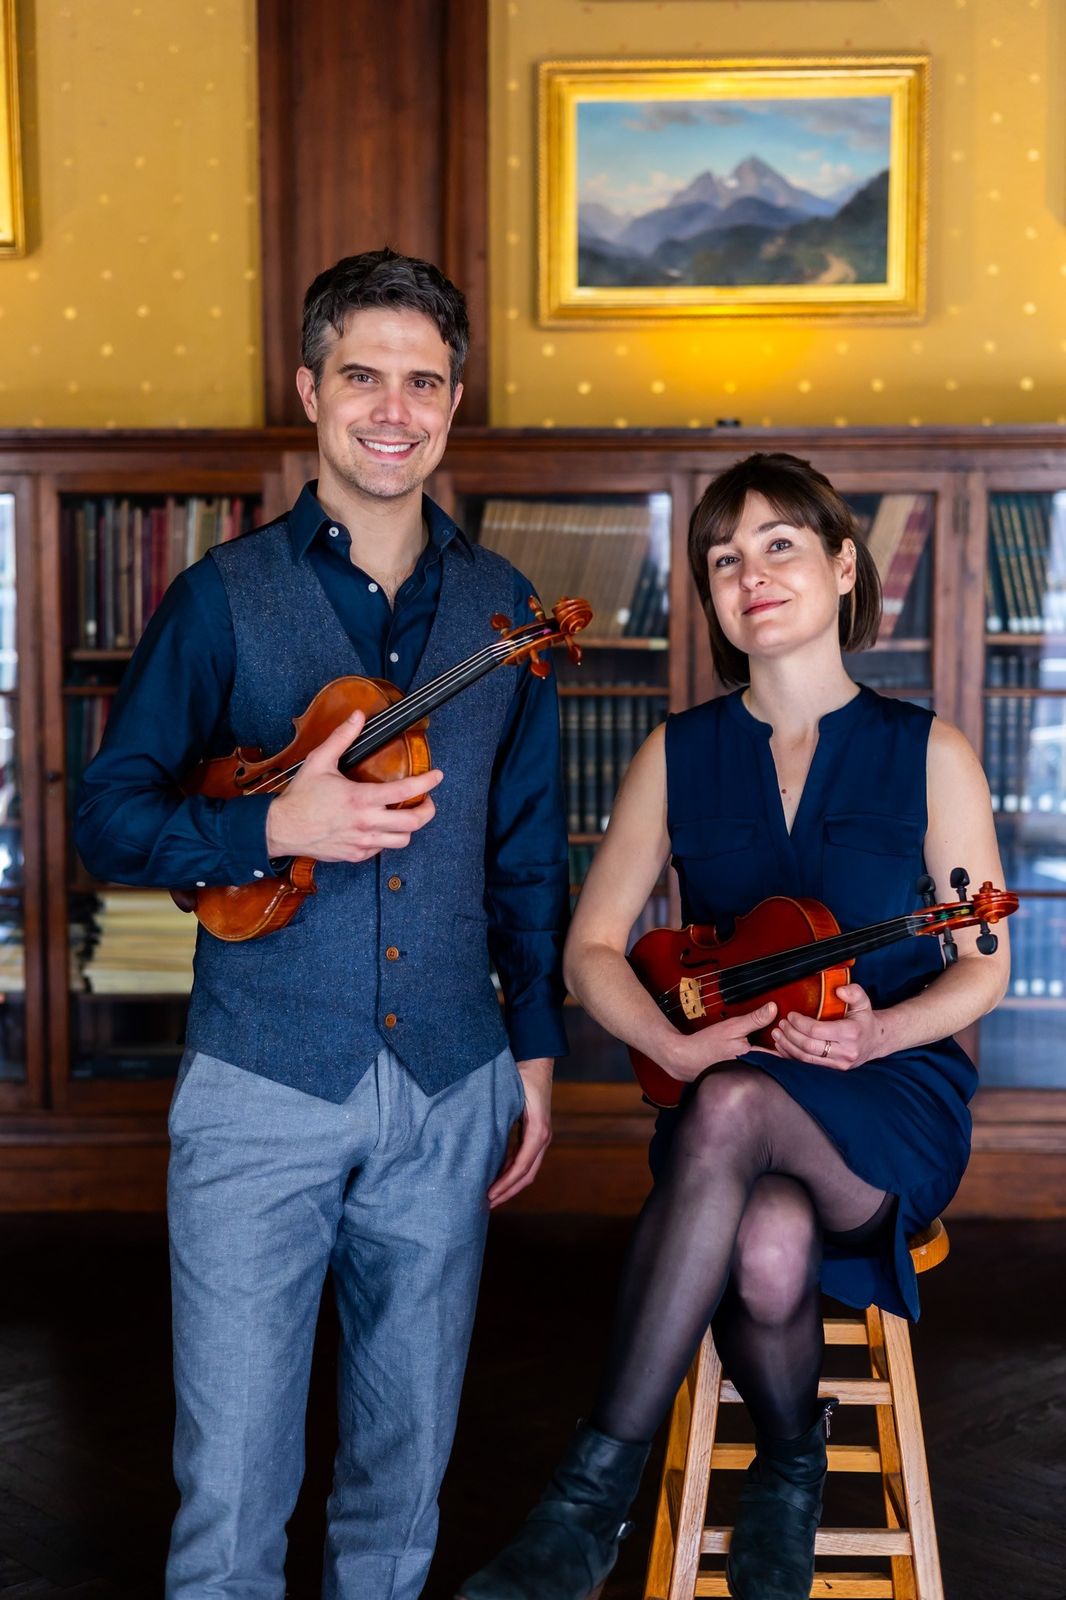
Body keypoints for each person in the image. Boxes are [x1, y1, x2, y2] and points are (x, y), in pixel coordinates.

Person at [74, 248, 569, 1600]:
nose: (393, 410)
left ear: (454, 401)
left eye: (423, 382)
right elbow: (109, 817)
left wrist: (531, 1056)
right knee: (234, 1476)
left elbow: (526, 860)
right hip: (258, 1083)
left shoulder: (510, 618)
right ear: (310, 391)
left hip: (453, 1077)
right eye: (363, 377)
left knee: (403, 1476)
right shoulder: (220, 596)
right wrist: (269, 830)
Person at [458, 451, 1010, 1600]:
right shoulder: (677, 754)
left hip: (885, 1101)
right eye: (722, 558)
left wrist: (878, 1034)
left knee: (733, 1106)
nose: (749, 573)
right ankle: (790, 1465)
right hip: (721, 1090)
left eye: (777, 545)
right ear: (707, 595)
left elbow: (979, 970)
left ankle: (584, 1509)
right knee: (762, 1231)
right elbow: (592, 948)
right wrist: (668, 1044)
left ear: (841, 567)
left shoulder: (928, 750)